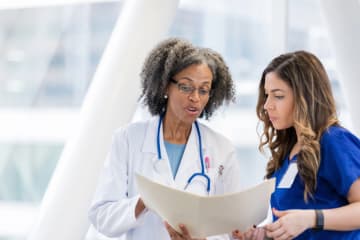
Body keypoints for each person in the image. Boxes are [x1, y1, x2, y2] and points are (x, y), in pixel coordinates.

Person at [88, 38, 242, 240]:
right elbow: (101, 215)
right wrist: (143, 202)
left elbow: (233, 226)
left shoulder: (222, 148)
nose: (195, 97)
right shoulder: (128, 139)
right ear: (165, 86)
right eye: (186, 87)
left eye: (203, 90)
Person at [233, 50, 360, 239]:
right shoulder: (289, 151)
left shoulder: (334, 140)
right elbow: (295, 222)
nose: (267, 105)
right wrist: (265, 233)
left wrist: (311, 219)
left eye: (278, 96)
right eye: (267, 95)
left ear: (305, 98)